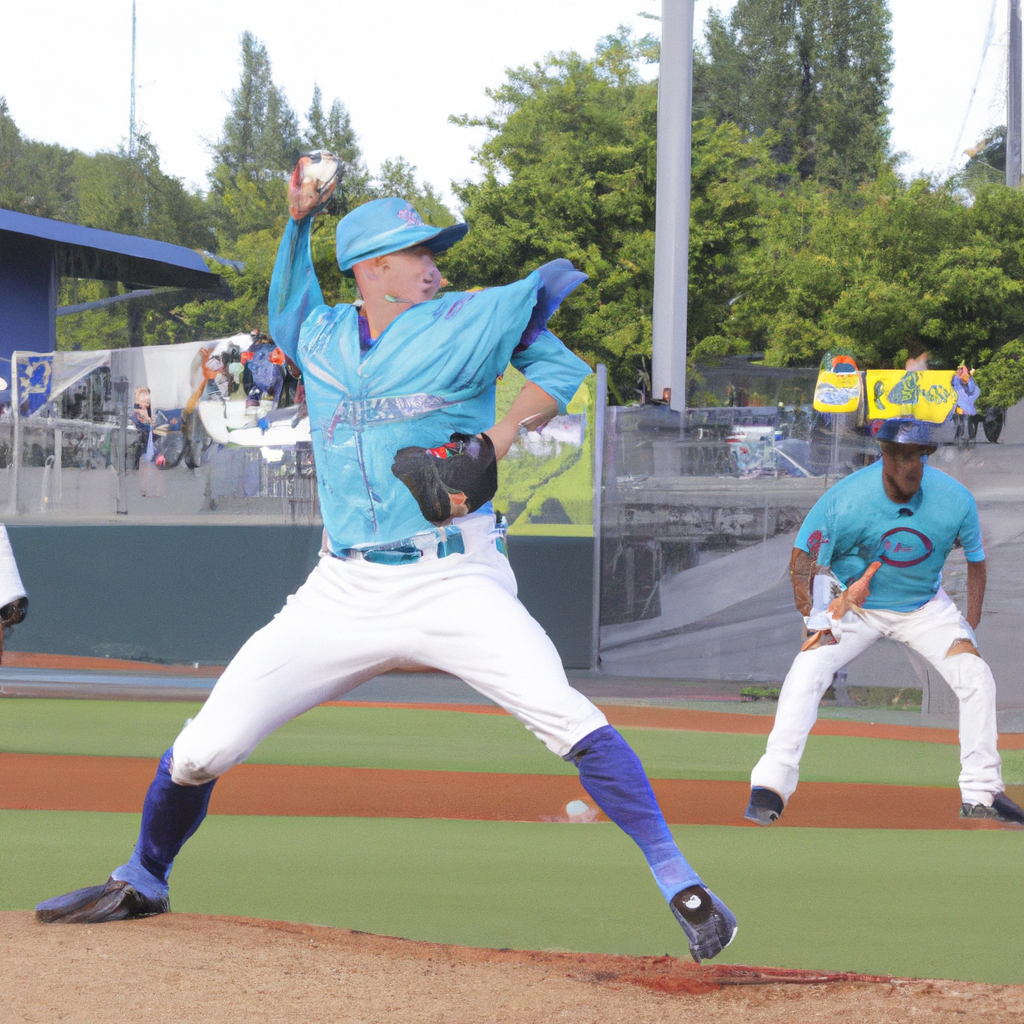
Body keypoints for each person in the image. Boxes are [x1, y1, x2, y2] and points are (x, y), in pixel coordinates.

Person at [35, 159, 737, 963]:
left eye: (434, 252)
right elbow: (287, 303)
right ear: (373, 270)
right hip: (344, 586)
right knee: (202, 750)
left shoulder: (467, 319)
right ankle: (143, 877)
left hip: (453, 576)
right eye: (419, 253)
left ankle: (679, 879)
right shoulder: (326, 334)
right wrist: (296, 221)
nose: (436, 265)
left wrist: (494, 441)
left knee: (565, 715)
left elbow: (561, 373)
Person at [745, 418, 1024, 827]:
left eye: (918, 455)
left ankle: (981, 793)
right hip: (854, 604)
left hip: (926, 606)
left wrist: (968, 628)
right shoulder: (846, 499)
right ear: (884, 454)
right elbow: (804, 559)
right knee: (808, 670)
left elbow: (977, 562)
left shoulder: (955, 499)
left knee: (976, 676)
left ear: (927, 456)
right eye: (899, 454)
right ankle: (770, 786)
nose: (909, 465)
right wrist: (817, 617)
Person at [952, 364, 981, 443]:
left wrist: (968, 382)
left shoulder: (970, 381)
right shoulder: (956, 380)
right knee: (960, 420)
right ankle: (959, 436)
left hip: (968, 404)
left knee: (970, 419)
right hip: (958, 403)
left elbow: (972, 390)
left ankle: (971, 437)